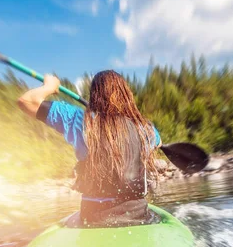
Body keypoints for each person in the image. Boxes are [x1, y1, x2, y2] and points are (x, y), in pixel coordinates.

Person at [17, 70, 162, 227]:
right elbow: (158, 143)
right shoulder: (146, 129)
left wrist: (49, 87)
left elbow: (26, 101)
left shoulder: (79, 120)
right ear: (126, 95)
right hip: (138, 216)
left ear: (94, 95)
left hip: (93, 220)